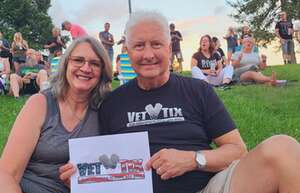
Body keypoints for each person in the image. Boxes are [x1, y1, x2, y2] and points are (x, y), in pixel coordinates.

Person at [60, 10, 300, 193]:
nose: (148, 54)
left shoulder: (198, 91)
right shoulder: (111, 102)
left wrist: (193, 159)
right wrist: (80, 173)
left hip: (206, 189)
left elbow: (237, 151)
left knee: (283, 148)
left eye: (156, 44)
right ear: (128, 51)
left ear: (169, 47)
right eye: (139, 46)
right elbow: (98, 163)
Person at [0, 36, 112, 193]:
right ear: (66, 65)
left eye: (94, 63)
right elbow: (6, 174)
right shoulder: (40, 104)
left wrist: (87, 183)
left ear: (103, 71)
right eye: (78, 60)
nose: (86, 68)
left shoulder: (108, 109)